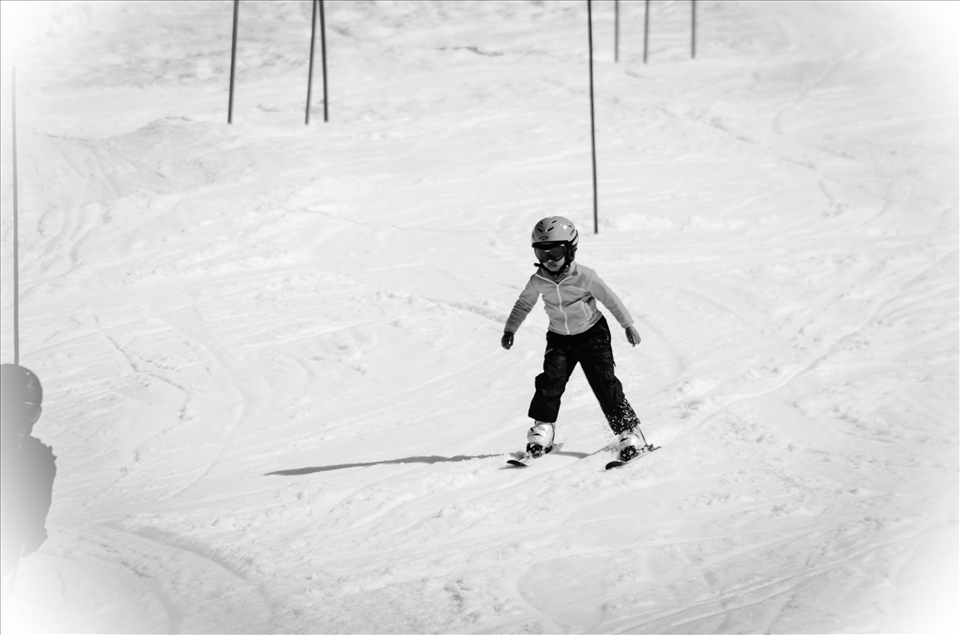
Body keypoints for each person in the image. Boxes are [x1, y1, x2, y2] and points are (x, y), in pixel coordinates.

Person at [501, 216, 651, 462]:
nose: (549, 260)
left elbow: (610, 299)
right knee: (550, 383)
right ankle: (544, 429)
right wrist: (510, 329)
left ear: (571, 249)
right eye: (542, 253)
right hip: (559, 339)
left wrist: (628, 325)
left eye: (556, 252)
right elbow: (524, 303)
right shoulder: (538, 280)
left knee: (604, 383)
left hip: (592, 335)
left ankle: (629, 431)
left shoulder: (585, 276)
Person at [1, 364, 56, 579]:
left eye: (30, 412)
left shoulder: (36, 459)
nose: (23, 423)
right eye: (15, 412)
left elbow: (31, 533)